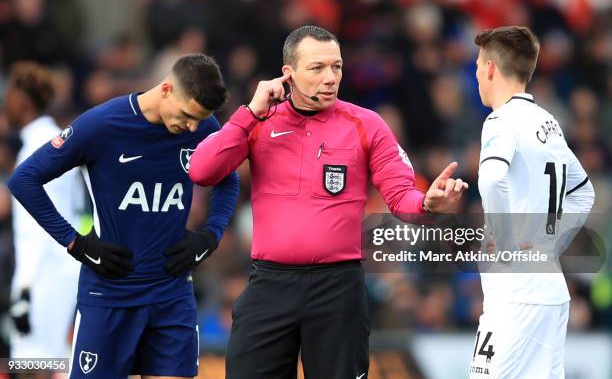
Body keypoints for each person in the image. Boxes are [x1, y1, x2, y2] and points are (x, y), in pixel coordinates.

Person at [188, 25, 468, 379]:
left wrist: (429, 205)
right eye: (317, 68)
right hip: (270, 285)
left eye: (336, 67)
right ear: (288, 74)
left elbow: (401, 196)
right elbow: (201, 170)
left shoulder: (367, 124)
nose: (330, 77)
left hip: (338, 289)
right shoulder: (260, 120)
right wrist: (249, 111)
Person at [7, 53, 240, 379]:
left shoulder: (202, 126)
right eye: (188, 116)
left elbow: (229, 179)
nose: (192, 127)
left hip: (171, 295)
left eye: (200, 120)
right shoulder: (102, 124)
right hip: (110, 295)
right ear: (167, 89)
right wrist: (76, 243)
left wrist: (210, 235)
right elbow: (24, 180)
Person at [471, 26, 595, 378]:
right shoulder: (547, 121)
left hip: (516, 294)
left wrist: (508, 241)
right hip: (550, 291)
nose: (477, 74)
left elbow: (493, 179)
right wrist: (549, 244)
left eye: (479, 65)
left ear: (491, 68)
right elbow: (584, 192)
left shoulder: (501, 121)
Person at [4, 62, 84, 372]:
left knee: (32, 365)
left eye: (8, 98)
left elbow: (34, 226)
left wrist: (24, 290)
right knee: (55, 362)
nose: (5, 105)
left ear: (22, 103)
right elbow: (76, 206)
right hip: (62, 269)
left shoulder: (34, 152)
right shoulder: (58, 140)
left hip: (43, 275)